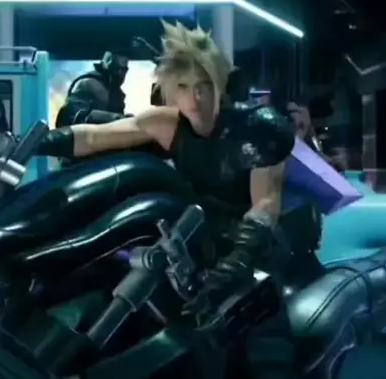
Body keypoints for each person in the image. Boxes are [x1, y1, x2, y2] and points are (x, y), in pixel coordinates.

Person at [36, 20, 297, 378]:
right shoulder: (167, 123)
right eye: (184, 87)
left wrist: (238, 262)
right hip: (193, 240)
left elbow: (265, 203)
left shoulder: (255, 128)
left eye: (204, 85)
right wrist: (40, 142)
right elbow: (95, 137)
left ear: (220, 83)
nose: (195, 98)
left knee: (264, 349)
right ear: (172, 89)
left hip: (251, 246)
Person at [55, 51, 130, 127]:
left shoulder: (116, 92)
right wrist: (115, 118)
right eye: (116, 68)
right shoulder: (87, 84)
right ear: (106, 63)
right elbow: (74, 115)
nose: (120, 73)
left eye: (124, 70)